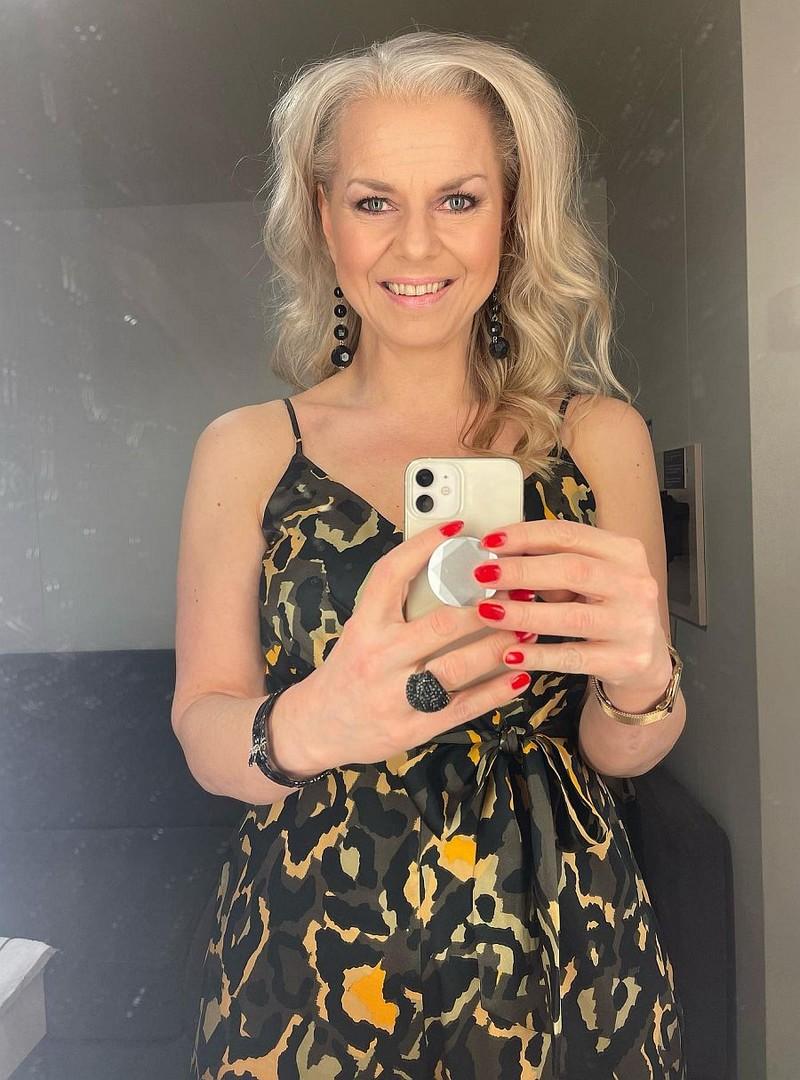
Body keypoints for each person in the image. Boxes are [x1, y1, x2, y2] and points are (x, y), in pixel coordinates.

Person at [173, 29, 687, 1080]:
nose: (416, 246)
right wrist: (311, 722)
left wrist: (643, 681)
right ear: (323, 216)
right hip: (309, 957)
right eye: (374, 201)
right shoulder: (247, 449)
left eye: (458, 198)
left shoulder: (597, 438)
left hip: (564, 948)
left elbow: (621, 750)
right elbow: (203, 725)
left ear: (510, 215)